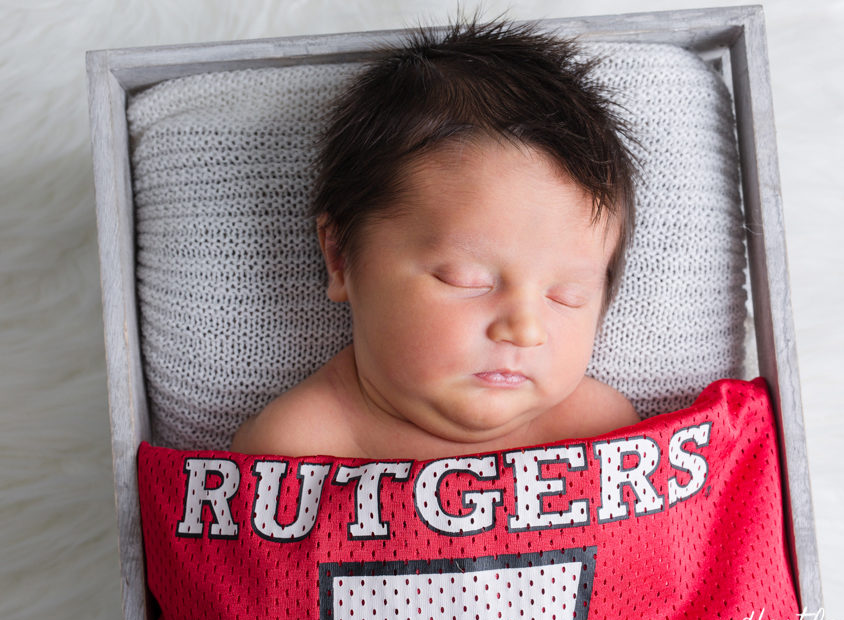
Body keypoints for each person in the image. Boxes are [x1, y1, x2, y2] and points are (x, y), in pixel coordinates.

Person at [231, 18, 640, 460]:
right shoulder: (295, 449)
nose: (524, 329)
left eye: (567, 296)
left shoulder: (602, 433)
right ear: (340, 256)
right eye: (463, 279)